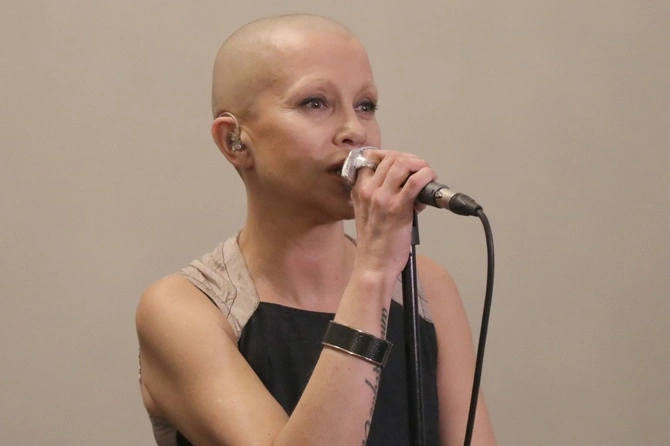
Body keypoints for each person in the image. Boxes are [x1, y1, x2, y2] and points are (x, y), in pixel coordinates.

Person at [136, 13, 496, 446]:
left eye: (365, 106)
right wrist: (374, 271)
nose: (355, 131)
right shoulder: (184, 310)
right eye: (315, 103)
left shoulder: (427, 288)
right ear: (234, 140)